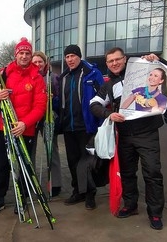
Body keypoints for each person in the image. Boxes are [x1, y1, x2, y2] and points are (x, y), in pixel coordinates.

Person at [89, 48, 167, 230]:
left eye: (118, 59)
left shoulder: (144, 71)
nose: (114, 63)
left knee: (152, 172)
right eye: (110, 61)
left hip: (147, 133)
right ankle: (131, 205)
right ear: (107, 64)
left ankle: (155, 213)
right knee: (127, 173)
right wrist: (109, 114)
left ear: (125, 59)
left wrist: (158, 60)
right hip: (124, 136)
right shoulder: (108, 85)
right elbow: (94, 104)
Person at [0, 38, 47, 214]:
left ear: (31, 55)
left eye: (27, 53)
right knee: (3, 165)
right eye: (21, 53)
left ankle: (22, 197)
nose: (24, 56)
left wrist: (25, 123)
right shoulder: (4, 73)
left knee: (24, 165)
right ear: (16, 54)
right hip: (4, 128)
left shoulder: (37, 78)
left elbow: (40, 106)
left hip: (24, 129)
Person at [58, 44, 104, 210]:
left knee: (87, 162)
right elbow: (61, 102)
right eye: (67, 56)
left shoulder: (92, 73)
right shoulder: (64, 77)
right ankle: (78, 191)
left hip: (86, 126)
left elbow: (102, 97)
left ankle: (90, 194)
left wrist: (100, 123)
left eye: (73, 56)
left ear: (79, 56)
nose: (70, 59)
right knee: (72, 161)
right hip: (69, 127)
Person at [31, 51, 62, 197]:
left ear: (45, 63)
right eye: (35, 62)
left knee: (52, 149)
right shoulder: (28, 77)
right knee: (30, 150)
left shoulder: (53, 78)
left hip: (47, 117)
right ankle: (30, 182)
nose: (37, 65)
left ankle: (55, 183)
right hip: (31, 118)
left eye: (40, 62)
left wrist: (52, 99)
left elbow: (59, 100)